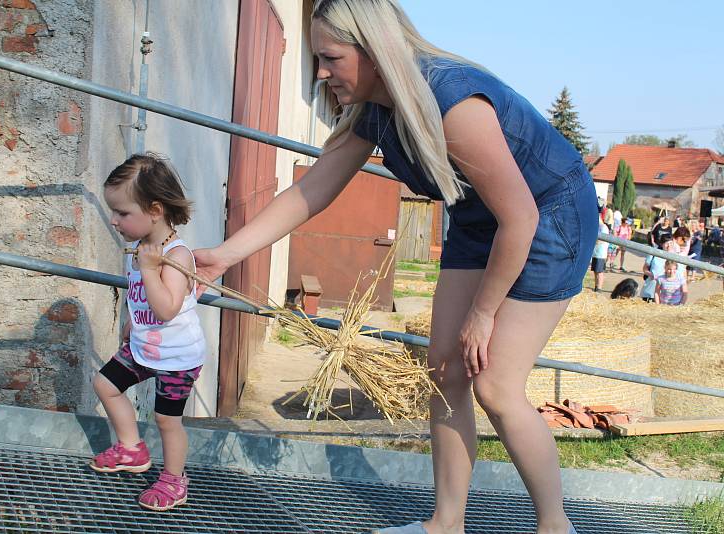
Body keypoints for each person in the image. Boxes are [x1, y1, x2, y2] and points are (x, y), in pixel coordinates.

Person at [194, 2, 595, 532]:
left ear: (375, 50)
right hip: (479, 216)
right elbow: (312, 189)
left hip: (545, 217)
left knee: (495, 385)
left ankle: (555, 525)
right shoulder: (375, 108)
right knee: (442, 370)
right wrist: (225, 255)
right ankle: (446, 523)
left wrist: (483, 313)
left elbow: (519, 217)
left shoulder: (452, 102)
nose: (321, 73)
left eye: (331, 58)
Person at [91, 154, 206, 511]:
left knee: (166, 420)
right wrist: (131, 322)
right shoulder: (142, 249)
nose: (114, 221)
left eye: (122, 213)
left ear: (155, 210)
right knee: (105, 385)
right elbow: (142, 299)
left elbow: (167, 307)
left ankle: (174, 481)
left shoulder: (176, 255)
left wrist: (151, 268)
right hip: (143, 345)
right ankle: (131, 448)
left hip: (177, 358)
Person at [641, 235, 672, 302]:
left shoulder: (675, 257)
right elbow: (644, 269)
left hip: (665, 292)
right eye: (667, 243)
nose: (669, 246)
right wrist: (651, 275)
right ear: (661, 244)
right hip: (650, 290)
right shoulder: (654, 254)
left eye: (671, 243)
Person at [590, 214, 609, 292]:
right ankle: (596, 286)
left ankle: (599, 288)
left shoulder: (604, 228)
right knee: (595, 271)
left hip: (601, 253)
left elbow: (602, 240)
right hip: (595, 252)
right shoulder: (598, 227)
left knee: (599, 271)